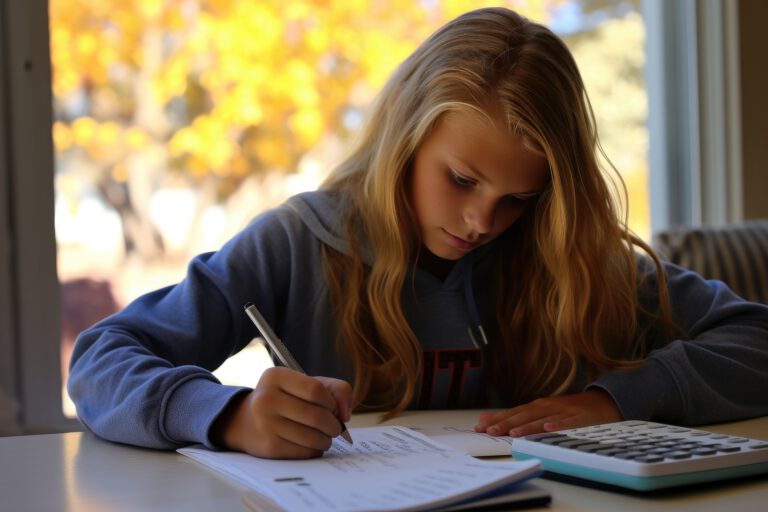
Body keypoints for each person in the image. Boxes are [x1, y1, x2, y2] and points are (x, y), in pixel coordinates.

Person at [68, 7, 768, 460]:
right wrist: (227, 415)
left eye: (518, 199)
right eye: (461, 179)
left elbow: (756, 338)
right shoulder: (296, 244)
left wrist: (614, 400)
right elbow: (101, 359)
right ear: (405, 138)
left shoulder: (563, 254)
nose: (482, 222)